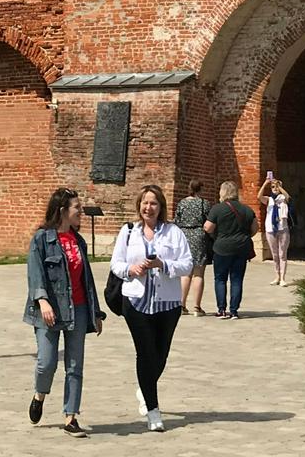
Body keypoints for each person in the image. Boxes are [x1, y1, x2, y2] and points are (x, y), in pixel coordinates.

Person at [109, 184, 192, 433]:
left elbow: (187, 264)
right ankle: (153, 410)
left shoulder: (173, 232)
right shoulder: (128, 232)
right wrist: (130, 270)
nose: (149, 207)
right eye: (145, 203)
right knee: (145, 353)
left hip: (167, 303)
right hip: (135, 301)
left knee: (160, 354)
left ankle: (146, 387)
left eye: (153, 203)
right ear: (139, 206)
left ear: (161, 207)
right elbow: (116, 263)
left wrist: (163, 264)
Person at [24, 186, 103, 436]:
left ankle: (70, 417)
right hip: (48, 310)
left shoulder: (79, 241)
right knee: (46, 363)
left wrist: (96, 313)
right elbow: (35, 273)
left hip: (78, 309)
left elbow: (86, 280)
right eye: (76, 208)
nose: (81, 211)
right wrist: (43, 301)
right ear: (62, 211)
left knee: (74, 364)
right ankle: (39, 395)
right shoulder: (41, 239)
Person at [203, 181, 257, 320]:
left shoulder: (217, 209)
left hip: (222, 247)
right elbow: (254, 229)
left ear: (222, 192)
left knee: (220, 279)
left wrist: (216, 236)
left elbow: (208, 227)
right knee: (237, 279)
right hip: (241, 248)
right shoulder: (247, 209)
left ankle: (221, 309)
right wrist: (243, 236)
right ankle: (234, 311)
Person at [172, 182, 211, 316]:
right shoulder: (203, 203)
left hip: (184, 235)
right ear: (200, 189)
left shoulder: (182, 203)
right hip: (199, 235)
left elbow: (176, 220)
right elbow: (209, 220)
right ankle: (197, 307)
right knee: (198, 273)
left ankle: (182, 305)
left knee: (185, 272)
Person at [259, 173, 293, 285]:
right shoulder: (269, 200)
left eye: (276, 187)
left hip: (282, 228)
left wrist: (280, 186)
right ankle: (277, 276)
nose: (275, 189)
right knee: (275, 254)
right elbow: (259, 197)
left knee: (282, 254)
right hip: (270, 228)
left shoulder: (283, 199)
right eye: (273, 187)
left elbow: (288, 197)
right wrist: (265, 183)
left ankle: (283, 278)